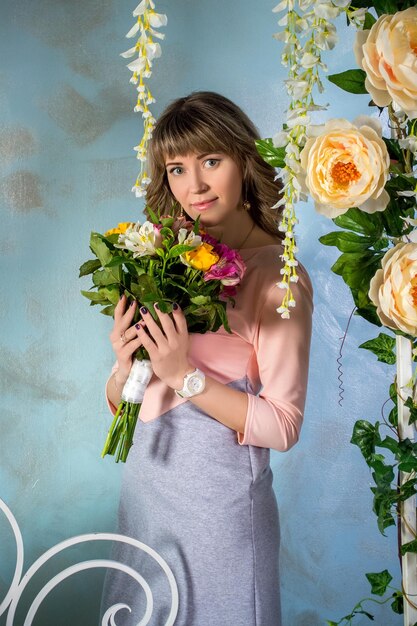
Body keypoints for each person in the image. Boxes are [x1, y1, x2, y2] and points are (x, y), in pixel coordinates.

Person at [100, 91, 313, 626]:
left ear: (244, 161)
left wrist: (184, 377)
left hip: (219, 515)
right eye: (176, 169)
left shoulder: (278, 277)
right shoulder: (170, 255)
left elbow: (283, 426)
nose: (193, 186)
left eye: (211, 162)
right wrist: (125, 370)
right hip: (145, 499)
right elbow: (126, 401)